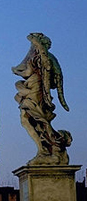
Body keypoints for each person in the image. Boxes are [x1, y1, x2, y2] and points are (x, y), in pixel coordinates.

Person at [12, 32, 72, 164]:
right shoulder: (48, 58)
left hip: (34, 91)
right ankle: (46, 148)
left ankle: (48, 148)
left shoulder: (40, 57)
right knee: (32, 120)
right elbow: (55, 78)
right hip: (34, 90)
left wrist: (16, 70)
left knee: (30, 119)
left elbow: (28, 72)